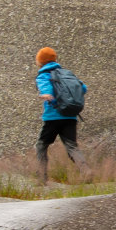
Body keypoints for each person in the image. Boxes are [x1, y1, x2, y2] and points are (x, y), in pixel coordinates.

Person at [33, 46, 87, 184]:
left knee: (41, 145)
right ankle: (86, 171)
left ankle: (42, 178)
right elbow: (83, 88)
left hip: (53, 116)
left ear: (40, 62)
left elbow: (46, 89)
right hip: (70, 116)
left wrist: (46, 94)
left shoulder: (43, 75)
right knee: (72, 146)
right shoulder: (66, 73)